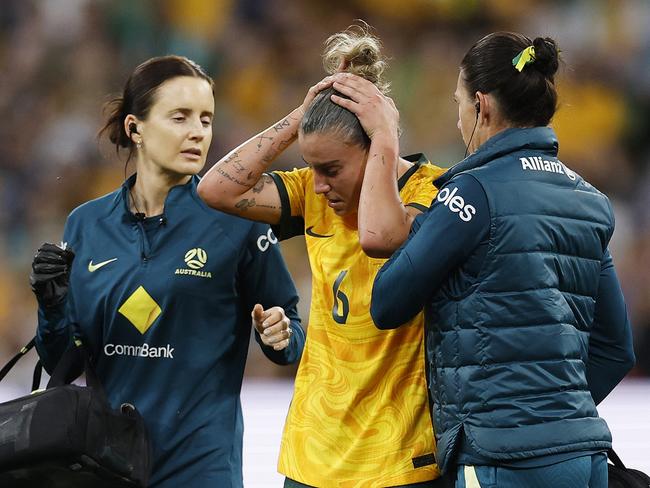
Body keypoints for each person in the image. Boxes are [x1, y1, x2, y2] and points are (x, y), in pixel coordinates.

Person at [369, 32, 636, 488]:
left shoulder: (471, 193)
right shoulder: (590, 202)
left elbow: (387, 302)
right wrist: (552, 416)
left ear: (481, 105)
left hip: (503, 458)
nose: (457, 120)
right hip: (584, 454)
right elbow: (616, 349)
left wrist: (421, 224)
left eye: (458, 103)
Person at [30, 55, 306, 488]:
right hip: (108, 469)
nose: (198, 131)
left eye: (206, 119)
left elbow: (290, 333)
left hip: (201, 471)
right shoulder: (84, 225)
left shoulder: (239, 220)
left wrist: (280, 335)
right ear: (135, 128)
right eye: (180, 117)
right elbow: (63, 362)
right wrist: (51, 308)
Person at [198, 24, 451, 488]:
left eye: (331, 169)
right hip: (313, 455)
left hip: (399, 459)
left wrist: (387, 137)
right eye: (311, 167)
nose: (317, 184)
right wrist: (301, 116)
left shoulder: (436, 194)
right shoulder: (314, 196)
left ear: (376, 145)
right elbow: (215, 189)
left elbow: (380, 234)